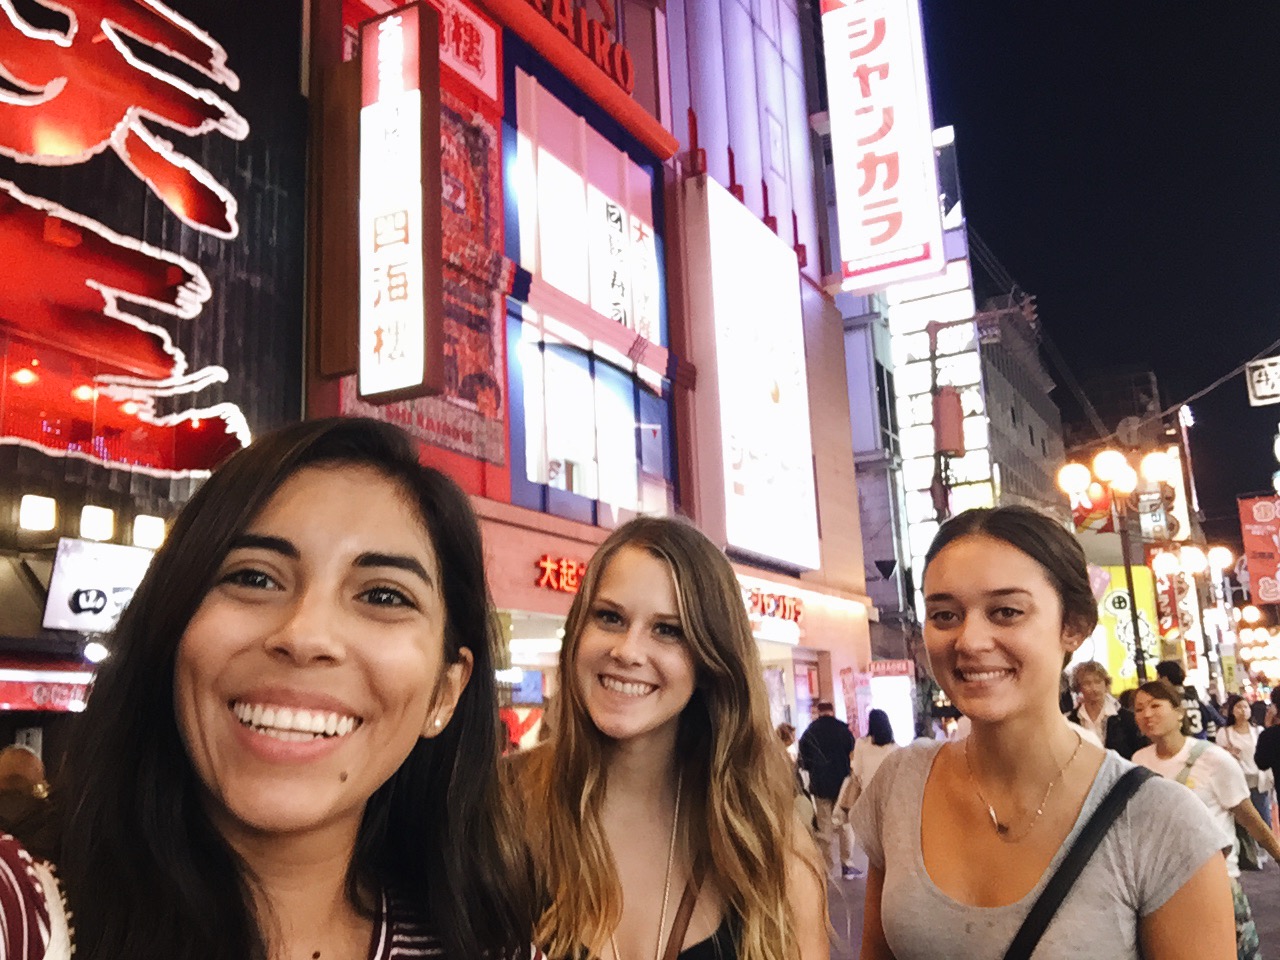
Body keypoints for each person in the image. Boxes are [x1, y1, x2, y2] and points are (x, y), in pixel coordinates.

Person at [0, 418, 532, 959]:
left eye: (384, 596)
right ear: (172, 626)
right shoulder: (25, 914)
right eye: (254, 577)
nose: (304, 636)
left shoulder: (492, 949)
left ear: (445, 693)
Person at [853, 506, 1233, 960]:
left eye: (1006, 612)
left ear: (1073, 626)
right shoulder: (901, 784)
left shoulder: (1161, 820)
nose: (969, 641)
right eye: (945, 615)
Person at [518, 516, 827, 960]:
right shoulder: (501, 812)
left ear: (710, 660)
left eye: (668, 630)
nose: (627, 651)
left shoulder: (770, 852)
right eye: (609, 617)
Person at [1134, 679, 1280, 959]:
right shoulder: (1138, 762)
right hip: (1165, 887)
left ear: (1179, 712)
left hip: (1217, 881)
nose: (1146, 714)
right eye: (1139, 709)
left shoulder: (1214, 759)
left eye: (1155, 705)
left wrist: (1276, 853)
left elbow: (1248, 817)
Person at [799, 700, 857, 880]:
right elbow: (852, 754)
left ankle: (827, 868)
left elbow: (804, 761)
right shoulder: (842, 729)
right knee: (845, 825)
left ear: (818, 712)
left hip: (820, 784)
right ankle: (847, 864)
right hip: (842, 784)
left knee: (824, 828)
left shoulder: (810, 732)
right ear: (832, 711)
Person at [1217, 694, 1274, 845]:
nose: (1243, 710)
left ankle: (1266, 850)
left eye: (1246, 706)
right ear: (1232, 711)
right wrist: (1228, 753)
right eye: (1238, 707)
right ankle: (1250, 851)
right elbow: (1219, 758)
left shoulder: (1258, 731)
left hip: (1258, 781)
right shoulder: (1225, 733)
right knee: (1243, 822)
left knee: (1263, 818)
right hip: (1237, 782)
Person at [1065, 661, 1145, 759]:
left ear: (1106, 684)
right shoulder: (1071, 720)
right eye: (1087, 683)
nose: (1094, 688)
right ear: (1079, 688)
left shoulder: (1126, 718)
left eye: (1098, 682)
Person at [835, 709, 898, 825]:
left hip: (868, 794)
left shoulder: (861, 744)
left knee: (870, 827)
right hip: (889, 795)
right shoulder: (895, 748)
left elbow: (857, 771)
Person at [1155, 659, 1225, 740]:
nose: (1157, 681)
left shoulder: (1168, 703)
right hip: (1201, 743)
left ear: (1165, 678)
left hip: (1181, 744)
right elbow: (1211, 724)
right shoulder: (1197, 701)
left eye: (1158, 677)